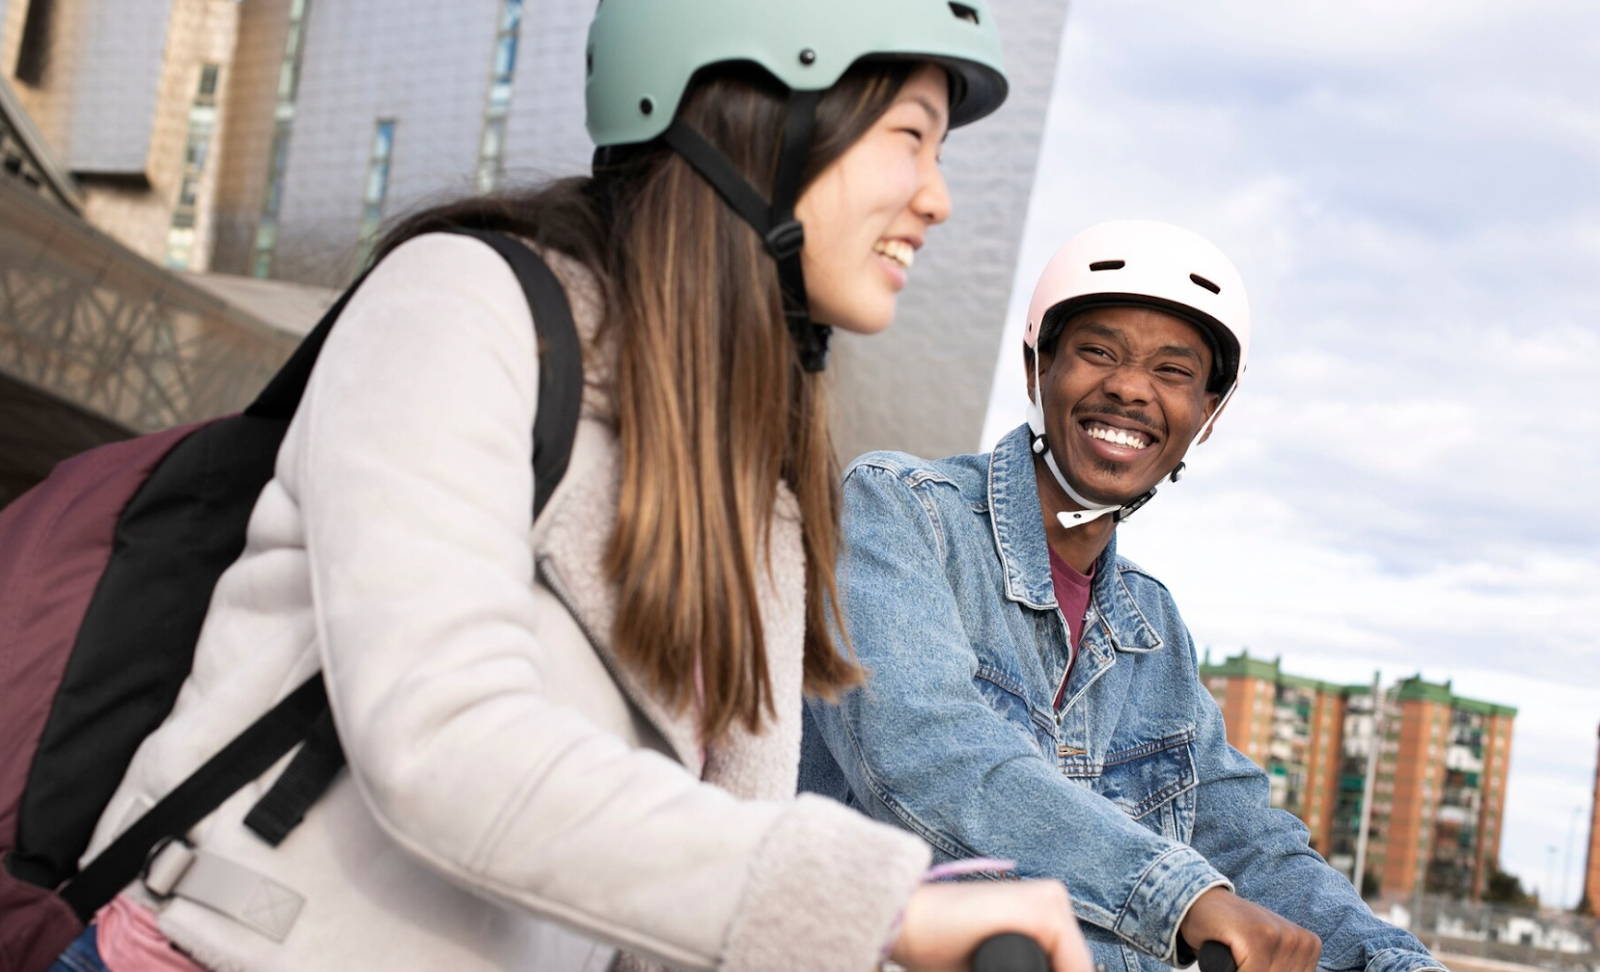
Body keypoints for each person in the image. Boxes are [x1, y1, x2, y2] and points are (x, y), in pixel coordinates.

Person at [54, 2, 1095, 971]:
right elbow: (443, 742)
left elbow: (707, 861)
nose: (938, 198)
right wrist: (880, 905)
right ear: (757, 108)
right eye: (910, 135)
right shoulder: (464, 304)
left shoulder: (755, 479)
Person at [800, 220, 1450, 972]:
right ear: (1038, 367)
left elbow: (1246, 840)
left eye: (1173, 372)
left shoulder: (1153, 625)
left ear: (1207, 417)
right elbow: (922, 747)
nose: (1131, 387)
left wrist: (1392, 961)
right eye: (1099, 352)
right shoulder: (899, 510)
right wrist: (1179, 896)